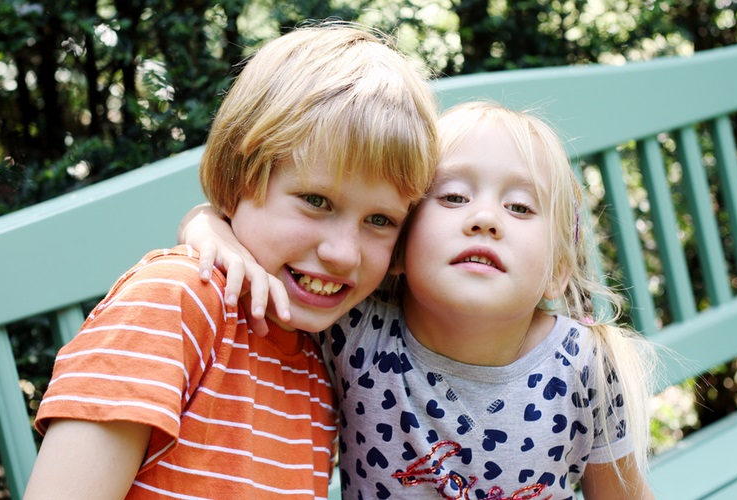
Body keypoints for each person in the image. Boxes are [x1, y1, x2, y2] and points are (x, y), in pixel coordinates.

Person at [23, 22, 438, 499]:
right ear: (239, 176)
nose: (343, 253)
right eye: (316, 201)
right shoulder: (176, 302)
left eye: (380, 220)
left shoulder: (319, 357)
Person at [180, 101, 659, 499]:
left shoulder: (586, 366)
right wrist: (206, 224)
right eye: (452, 197)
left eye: (519, 207)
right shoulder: (354, 332)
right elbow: (261, 261)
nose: (486, 218)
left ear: (557, 270)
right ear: (399, 245)